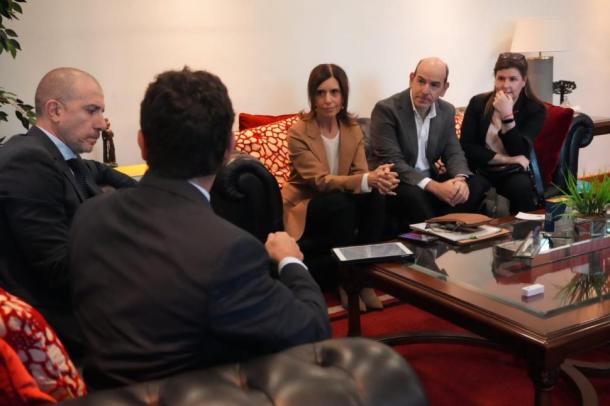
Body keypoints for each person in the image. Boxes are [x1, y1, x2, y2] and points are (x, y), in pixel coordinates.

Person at [69, 67, 331, 389]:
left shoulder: (88, 215)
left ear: (142, 144)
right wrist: (290, 261)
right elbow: (311, 329)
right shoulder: (231, 250)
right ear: (228, 150)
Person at [0, 67, 137, 356]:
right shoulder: (27, 160)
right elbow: (57, 268)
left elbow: (100, 171)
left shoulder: (65, 159)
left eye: (102, 111)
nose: (102, 124)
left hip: (86, 309)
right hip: (58, 327)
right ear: (55, 110)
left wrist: (152, 199)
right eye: (92, 110)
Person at [282, 64, 399, 311]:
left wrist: (379, 179)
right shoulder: (298, 132)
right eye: (321, 93)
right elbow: (320, 181)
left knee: (376, 197)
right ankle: (345, 282)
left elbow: (359, 172)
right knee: (340, 203)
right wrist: (366, 180)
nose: (328, 100)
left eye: (334, 92)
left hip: (341, 196)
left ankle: (364, 278)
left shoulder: (352, 129)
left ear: (343, 95)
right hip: (308, 203)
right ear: (312, 96)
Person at [370, 57, 489, 226]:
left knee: (476, 184)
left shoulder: (446, 110)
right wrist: (435, 187)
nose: (425, 90)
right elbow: (393, 161)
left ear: (444, 88)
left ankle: (444, 227)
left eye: (434, 85)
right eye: (421, 81)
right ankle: (439, 230)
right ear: (411, 79)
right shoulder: (387, 109)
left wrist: (460, 179)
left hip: (431, 178)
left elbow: (453, 151)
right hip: (400, 181)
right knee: (414, 195)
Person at [460, 52, 546, 214]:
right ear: (495, 79)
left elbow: (519, 151)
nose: (506, 85)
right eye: (501, 78)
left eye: (513, 79)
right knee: (470, 189)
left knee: (521, 187)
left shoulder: (535, 109)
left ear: (523, 81)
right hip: (481, 169)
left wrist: (507, 116)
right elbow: (467, 147)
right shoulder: (478, 103)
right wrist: (506, 159)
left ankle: (524, 229)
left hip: (512, 172)